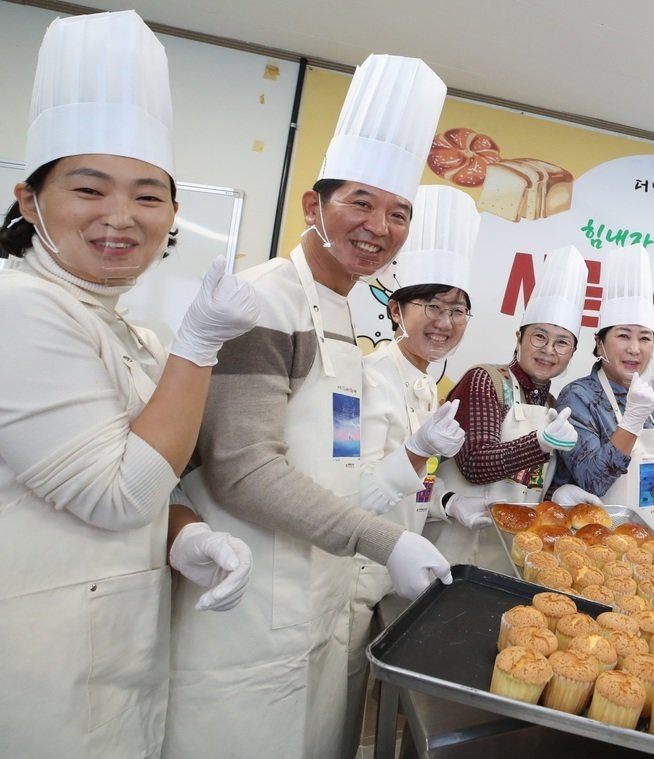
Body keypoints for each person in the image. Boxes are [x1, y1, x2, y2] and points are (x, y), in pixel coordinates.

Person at [165, 54, 450, 758]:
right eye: (360, 202)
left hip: (317, 593)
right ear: (312, 206)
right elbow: (242, 467)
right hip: (247, 598)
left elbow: (337, 454)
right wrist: (385, 539)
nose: (379, 227)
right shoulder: (264, 298)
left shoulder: (347, 313)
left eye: (398, 213)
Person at [0, 12, 259, 756]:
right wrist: (200, 343)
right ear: (29, 200)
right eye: (89, 188)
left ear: (174, 213)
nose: (122, 216)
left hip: (115, 658)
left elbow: (150, 475)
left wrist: (186, 536)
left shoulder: (129, 331)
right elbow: (118, 495)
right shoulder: (17, 307)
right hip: (35, 669)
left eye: (149, 195)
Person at [342, 184, 476, 755]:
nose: (444, 322)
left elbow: (411, 486)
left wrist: (445, 503)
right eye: (431, 306)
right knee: (341, 713)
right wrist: (418, 451)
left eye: (456, 309)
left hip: (395, 571)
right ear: (396, 309)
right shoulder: (362, 376)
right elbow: (351, 492)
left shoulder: (428, 383)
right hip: (351, 573)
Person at [434, 245, 590, 561]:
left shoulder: (552, 404)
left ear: (572, 353)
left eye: (562, 343)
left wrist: (556, 496)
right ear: (519, 337)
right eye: (539, 337)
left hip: (511, 554)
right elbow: (476, 463)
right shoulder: (484, 380)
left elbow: (529, 485)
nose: (548, 350)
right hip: (456, 545)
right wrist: (541, 443)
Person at [553, 244, 654, 531]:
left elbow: (651, 474)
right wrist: (632, 421)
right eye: (623, 336)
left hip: (645, 536)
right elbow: (593, 479)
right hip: (591, 540)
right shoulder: (578, 397)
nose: (634, 349)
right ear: (600, 343)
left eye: (645, 338)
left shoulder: (644, 397)